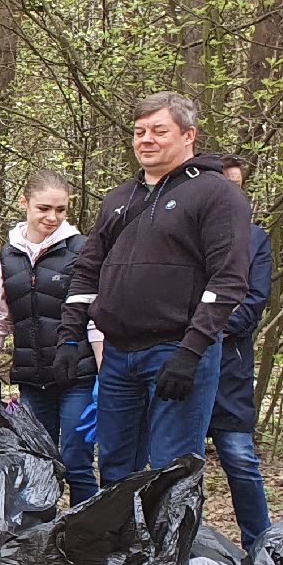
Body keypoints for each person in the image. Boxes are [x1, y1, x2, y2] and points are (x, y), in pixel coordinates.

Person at [58, 92, 252, 486]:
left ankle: (172, 549)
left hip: (177, 352)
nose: (146, 139)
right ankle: (120, 547)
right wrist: (69, 336)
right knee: (114, 469)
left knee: (172, 472)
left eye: (159, 131)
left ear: (188, 135)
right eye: (139, 131)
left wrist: (191, 351)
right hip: (117, 356)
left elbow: (228, 280)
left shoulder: (217, 194)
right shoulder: (118, 199)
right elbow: (88, 269)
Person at [0, 169, 103, 504]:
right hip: (33, 379)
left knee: (76, 461)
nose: (52, 217)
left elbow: (94, 320)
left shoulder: (82, 250)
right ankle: (36, 541)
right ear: (24, 204)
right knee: (36, 462)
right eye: (44, 208)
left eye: (60, 210)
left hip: (79, 375)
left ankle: (83, 540)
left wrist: (105, 377)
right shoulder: (6, 258)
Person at [209, 153, 273, 550]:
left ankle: (261, 547)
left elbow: (251, 305)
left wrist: (205, 327)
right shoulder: (188, 233)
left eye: (237, 186)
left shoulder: (255, 239)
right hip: (176, 370)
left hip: (229, 370)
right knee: (178, 468)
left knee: (240, 460)